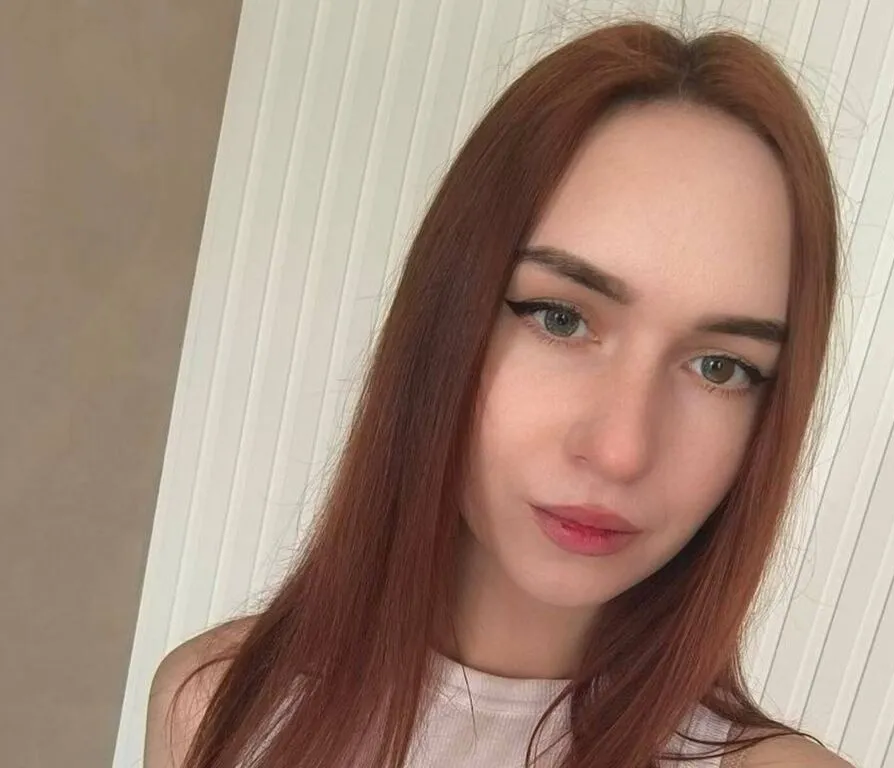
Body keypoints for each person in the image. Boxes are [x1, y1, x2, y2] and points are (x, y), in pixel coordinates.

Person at [145, 20, 852, 768]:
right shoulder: (216, 704)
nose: (621, 450)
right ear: (447, 318)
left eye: (719, 367)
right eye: (560, 318)